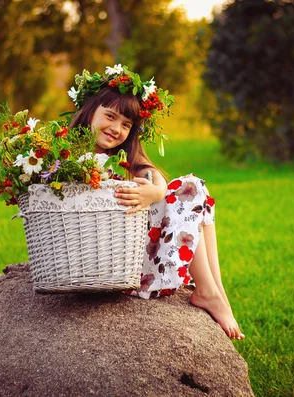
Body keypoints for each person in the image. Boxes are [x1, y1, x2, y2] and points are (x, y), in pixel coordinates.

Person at [68, 65, 245, 340]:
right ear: (90, 110)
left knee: (195, 191)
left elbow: (155, 176)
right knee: (191, 190)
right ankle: (209, 292)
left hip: (132, 256)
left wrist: (156, 191)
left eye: (126, 124)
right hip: (114, 265)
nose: (116, 129)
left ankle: (214, 290)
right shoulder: (67, 157)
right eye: (110, 116)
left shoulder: (123, 159)